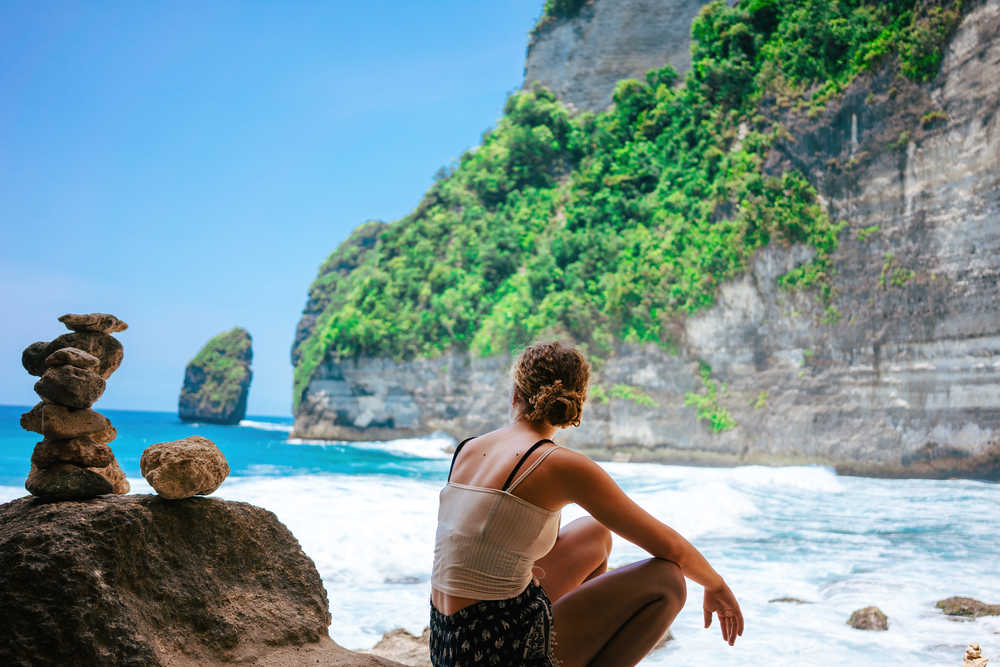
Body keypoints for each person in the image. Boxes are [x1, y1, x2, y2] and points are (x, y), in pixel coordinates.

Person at [429, 341, 744, 666]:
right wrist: (716, 585)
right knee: (669, 582)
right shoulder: (557, 464)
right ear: (574, 407)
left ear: (515, 394)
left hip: (449, 645)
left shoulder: (467, 448)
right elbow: (669, 549)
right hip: (495, 654)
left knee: (596, 533)